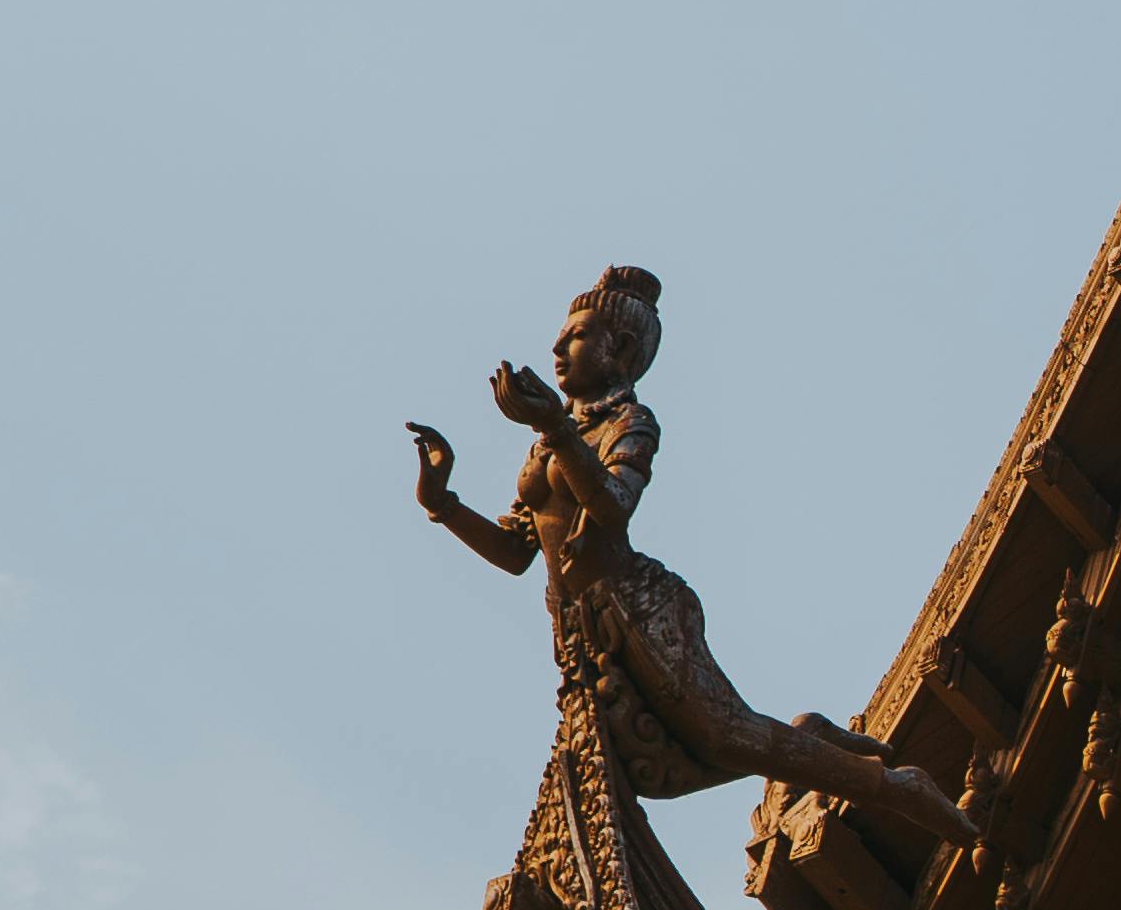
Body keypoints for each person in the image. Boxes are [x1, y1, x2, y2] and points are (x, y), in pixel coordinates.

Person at [410, 269, 974, 841]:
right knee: (668, 772)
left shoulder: (628, 423)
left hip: (635, 607)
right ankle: (806, 737)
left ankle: (897, 788)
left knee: (723, 739)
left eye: (577, 335)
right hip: (580, 629)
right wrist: (443, 503)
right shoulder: (547, 443)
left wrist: (556, 427)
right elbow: (514, 552)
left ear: (620, 349)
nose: (557, 348)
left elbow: (612, 507)